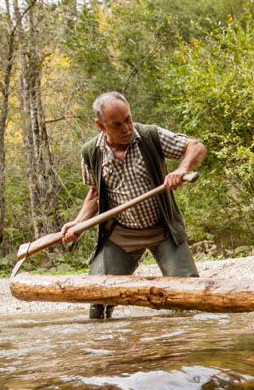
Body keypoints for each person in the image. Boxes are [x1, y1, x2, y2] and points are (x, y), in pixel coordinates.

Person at [61, 91, 207, 319]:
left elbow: (196, 146)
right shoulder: (91, 152)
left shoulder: (150, 136)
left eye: (128, 119)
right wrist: (78, 224)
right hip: (122, 234)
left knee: (188, 296)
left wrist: (181, 169)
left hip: (163, 230)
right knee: (97, 298)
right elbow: (94, 193)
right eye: (117, 125)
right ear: (101, 126)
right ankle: (111, 351)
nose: (127, 128)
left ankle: (180, 349)